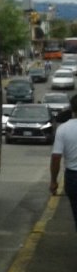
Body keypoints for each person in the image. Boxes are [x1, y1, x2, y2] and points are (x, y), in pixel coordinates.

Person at [49, 94, 77, 231]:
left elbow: (56, 158)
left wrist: (54, 181)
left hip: (73, 178)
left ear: (72, 109)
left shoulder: (63, 129)